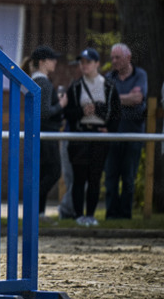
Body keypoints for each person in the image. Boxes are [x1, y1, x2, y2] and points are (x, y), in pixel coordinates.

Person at [63, 48, 120, 226]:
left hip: (99, 136)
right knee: (79, 178)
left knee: (95, 178)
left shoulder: (109, 86)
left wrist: (108, 128)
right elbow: (68, 113)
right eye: (82, 62)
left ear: (97, 64)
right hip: (80, 135)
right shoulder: (75, 86)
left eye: (88, 62)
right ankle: (79, 215)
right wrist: (82, 111)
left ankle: (91, 215)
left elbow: (116, 113)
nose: (84, 65)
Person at [102, 43, 148, 219]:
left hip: (133, 134)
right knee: (111, 177)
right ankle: (111, 214)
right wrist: (126, 99)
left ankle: (125, 214)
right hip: (112, 135)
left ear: (128, 58)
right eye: (112, 58)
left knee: (129, 177)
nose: (113, 61)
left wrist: (115, 100)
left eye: (117, 57)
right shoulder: (109, 77)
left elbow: (138, 98)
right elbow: (104, 101)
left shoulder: (140, 75)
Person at [28, 45, 67, 218]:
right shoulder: (43, 81)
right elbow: (44, 112)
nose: (55, 62)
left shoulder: (35, 80)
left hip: (40, 133)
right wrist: (61, 105)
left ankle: (39, 212)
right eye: (52, 59)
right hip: (46, 133)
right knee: (53, 171)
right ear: (43, 62)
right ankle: (34, 206)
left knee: (43, 172)